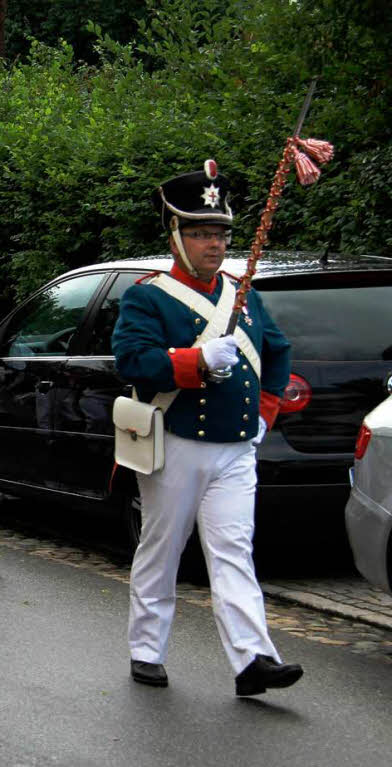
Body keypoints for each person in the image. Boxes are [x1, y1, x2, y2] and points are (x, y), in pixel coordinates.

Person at [111, 159, 303, 696]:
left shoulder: (243, 291)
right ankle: (147, 648)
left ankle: (253, 660)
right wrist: (194, 363)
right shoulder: (147, 296)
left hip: (236, 445)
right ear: (176, 237)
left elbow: (278, 350)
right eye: (199, 233)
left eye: (219, 233)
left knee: (234, 550)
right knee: (162, 546)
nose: (213, 245)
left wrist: (265, 413)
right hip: (175, 441)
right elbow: (133, 361)